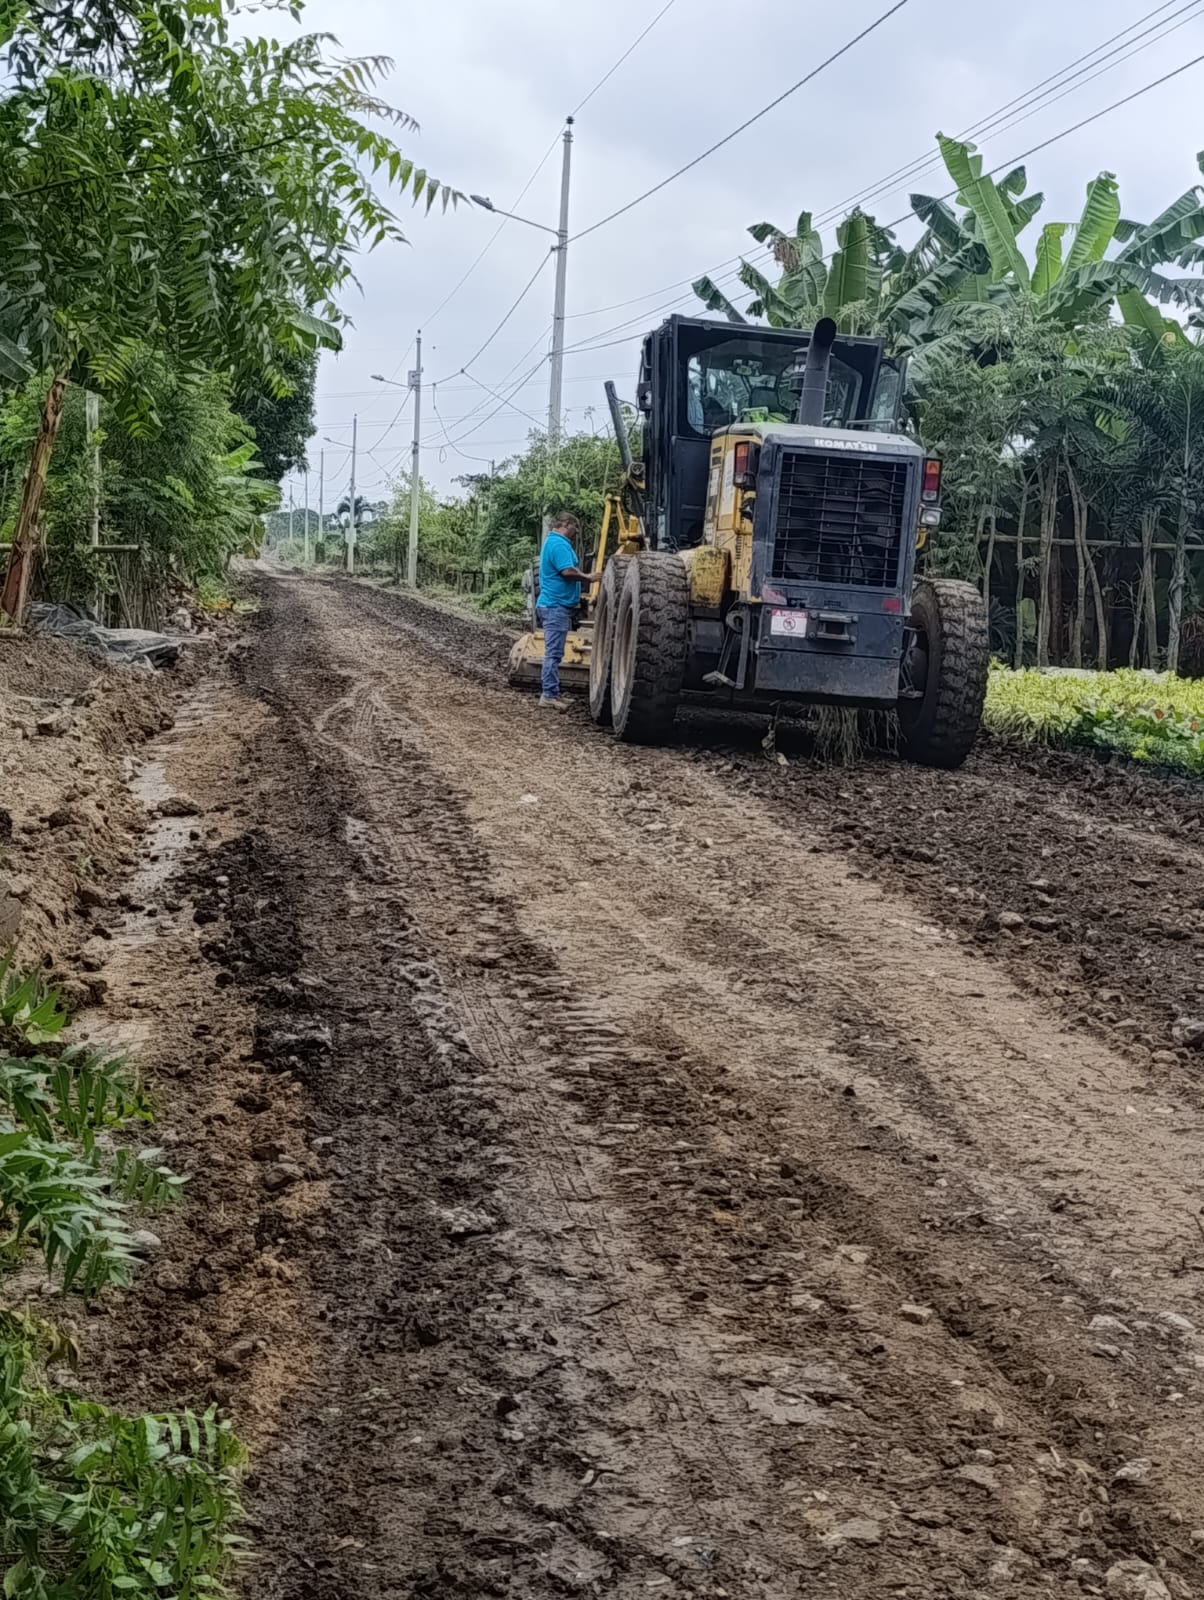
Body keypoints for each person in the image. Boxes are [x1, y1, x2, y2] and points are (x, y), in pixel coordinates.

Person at [536, 512, 598, 709]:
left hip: (555, 605)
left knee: (555, 652)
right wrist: (589, 577)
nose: (576, 531)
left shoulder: (553, 542)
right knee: (553, 654)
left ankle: (553, 693)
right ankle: (548, 696)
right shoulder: (559, 544)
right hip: (555, 606)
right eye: (575, 527)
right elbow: (567, 571)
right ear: (566, 524)